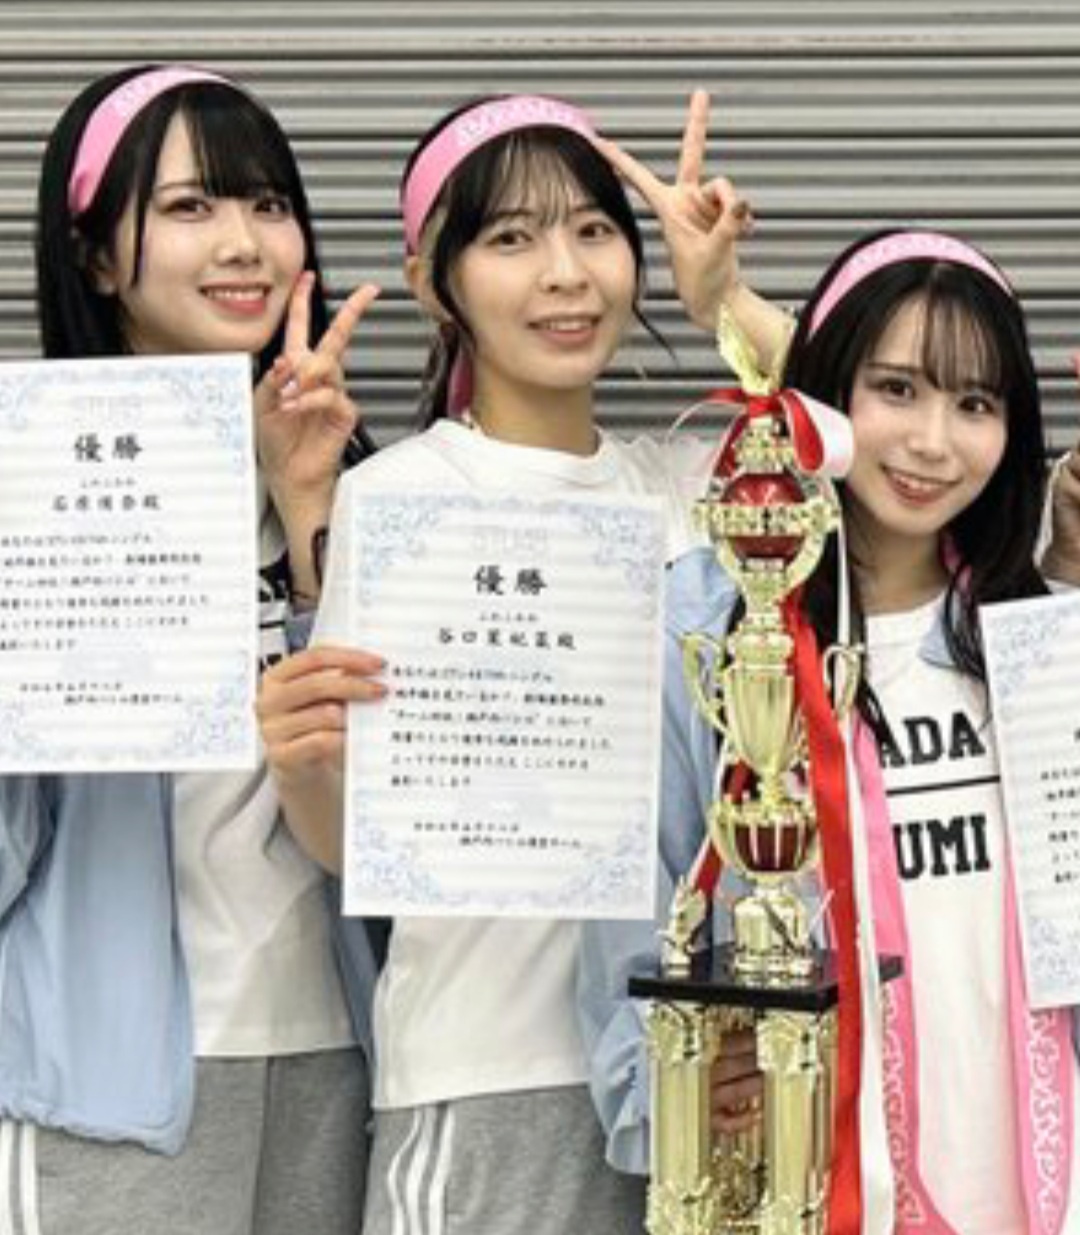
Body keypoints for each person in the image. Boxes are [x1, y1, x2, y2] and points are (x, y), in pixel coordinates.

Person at [256, 92, 756, 1235]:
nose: (565, 274)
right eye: (512, 238)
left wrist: (723, 300)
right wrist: (301, 763)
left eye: (594, 230)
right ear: (436, 281)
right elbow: (353, 846)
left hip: (691, 1060)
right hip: (485, 1069)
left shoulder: (697, 487)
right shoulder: (402, 499)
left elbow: (869, 444)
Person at [578, 120, 1080, 1230]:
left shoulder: (1037, 638)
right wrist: (675, 1080)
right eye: (895, 389)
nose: (933, 442)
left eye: (977, 404)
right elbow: (632, 913)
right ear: (827, 395)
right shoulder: (715, 627)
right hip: (810, 1176)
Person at [0, 63, 382, 1235]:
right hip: (109, 1071)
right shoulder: (32, 484)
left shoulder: (350, 478)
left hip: (328, 1041)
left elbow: (401, 793)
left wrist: (306, 507)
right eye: (189, 206)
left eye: (268, 203)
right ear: (96, 258)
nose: (243, 243)